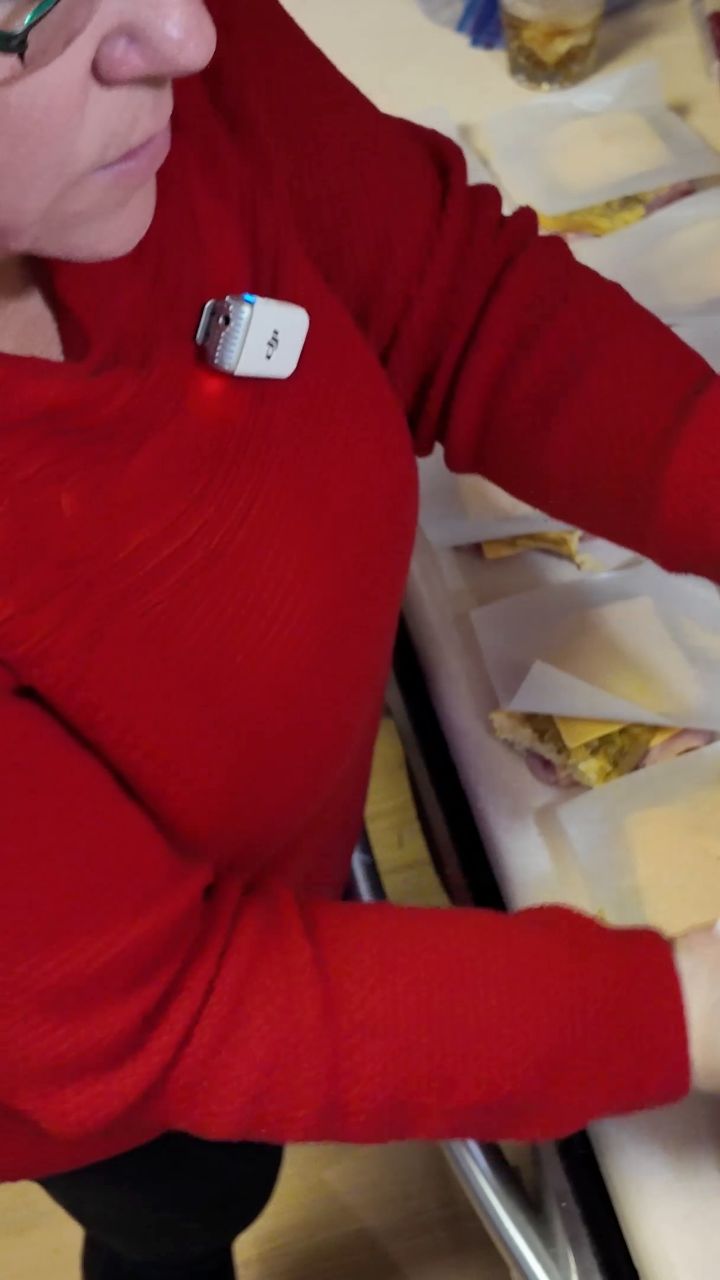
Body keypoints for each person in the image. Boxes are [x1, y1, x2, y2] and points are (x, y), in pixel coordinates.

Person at [2, 0, 720, 1274]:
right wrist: (680, 1011)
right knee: (182, 1201)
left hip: (277, 859)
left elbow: (456, 303)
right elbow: (174, 1013)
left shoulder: (166, 75)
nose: (188, 36)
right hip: (97, 1059)